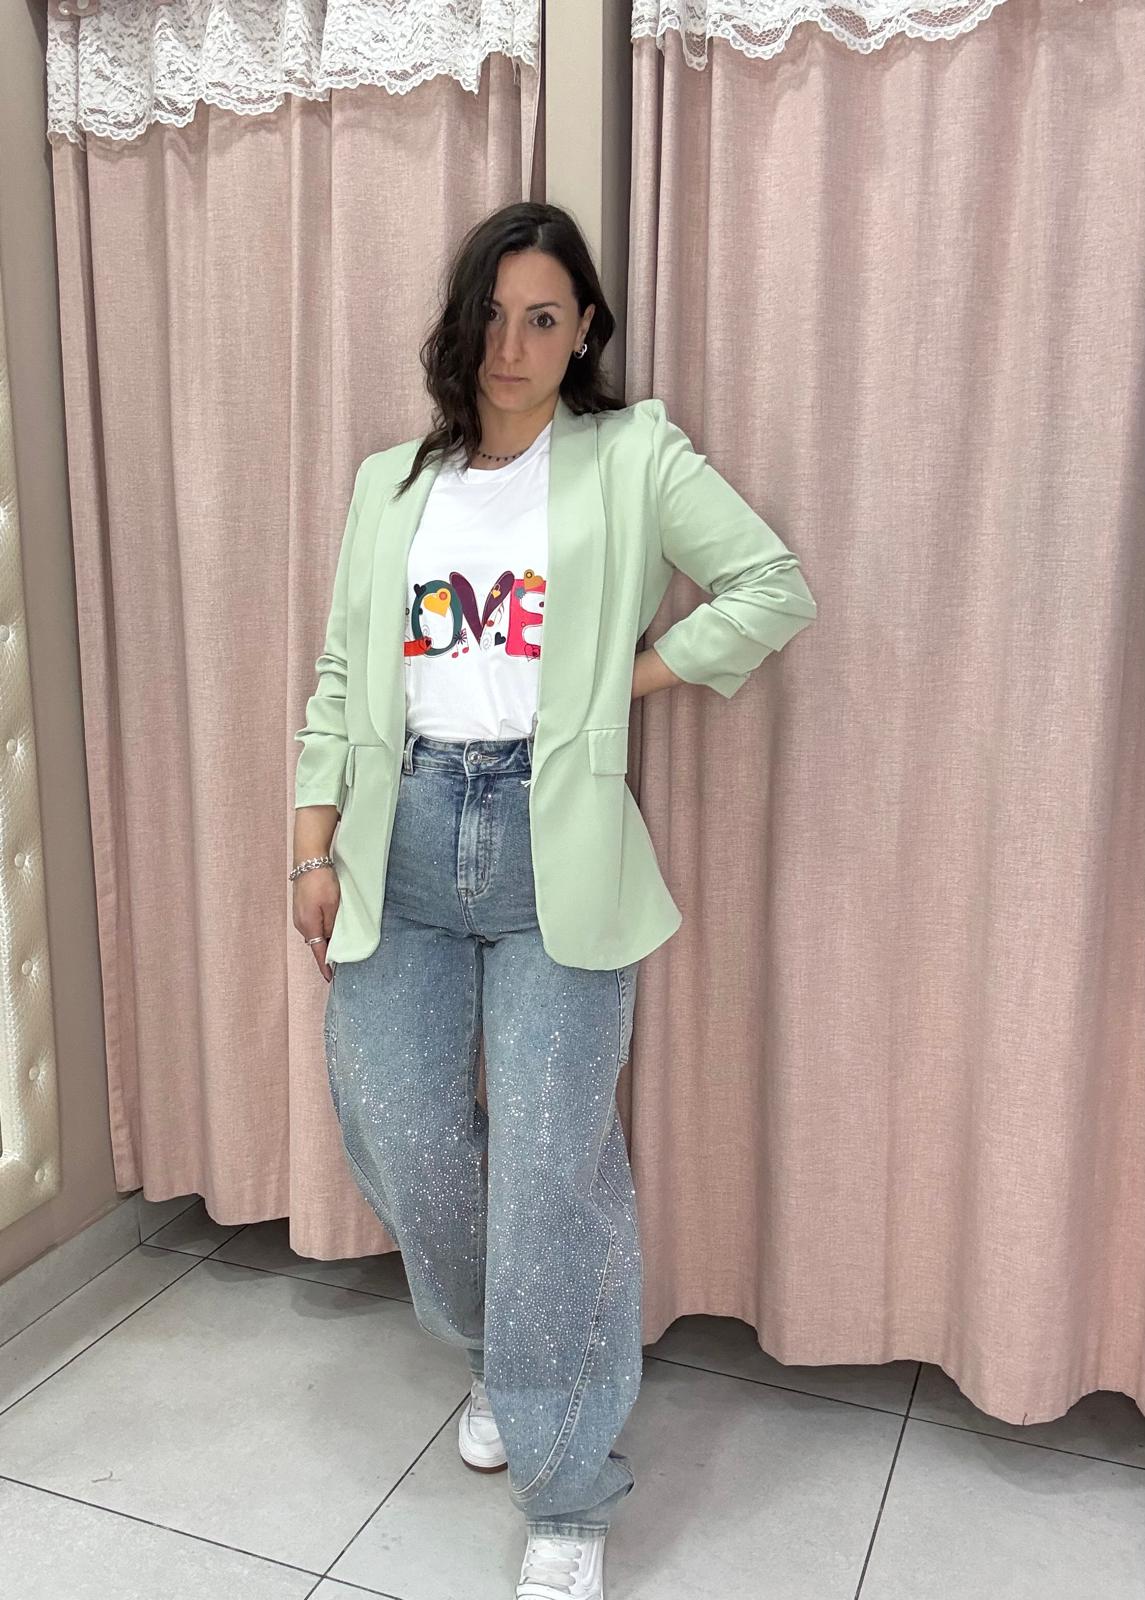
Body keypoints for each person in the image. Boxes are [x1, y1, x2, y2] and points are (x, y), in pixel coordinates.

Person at [290, 200, 817, 1600]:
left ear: (583, 331)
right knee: (399, 1129)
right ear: (458, 323)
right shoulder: (390, 484)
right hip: (401, 841)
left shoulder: (631, 455)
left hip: (552, 847)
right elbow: (342, 674)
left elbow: (769, 585)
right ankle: (503, 1352)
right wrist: (310, 841)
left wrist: (617, 686)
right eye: (493, 314)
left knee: (548, 1169)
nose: (512, 345)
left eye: (544, 318)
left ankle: (569, 1491)